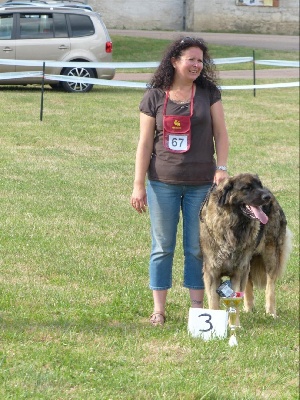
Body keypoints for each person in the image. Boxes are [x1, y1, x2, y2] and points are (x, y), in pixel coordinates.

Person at [130, 37, 229, 326]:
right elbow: (145, 143)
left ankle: (197, 308)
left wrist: (221, 167)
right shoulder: (154, 96)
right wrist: (138, 185)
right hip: (162, 182)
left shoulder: (209, 92)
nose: (197, 65)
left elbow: (221, 134)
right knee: (162, 246)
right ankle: (159, 310)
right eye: (191, 59)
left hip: (201, 182)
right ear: (175, 61)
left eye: (200, 60)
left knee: (197, 246)